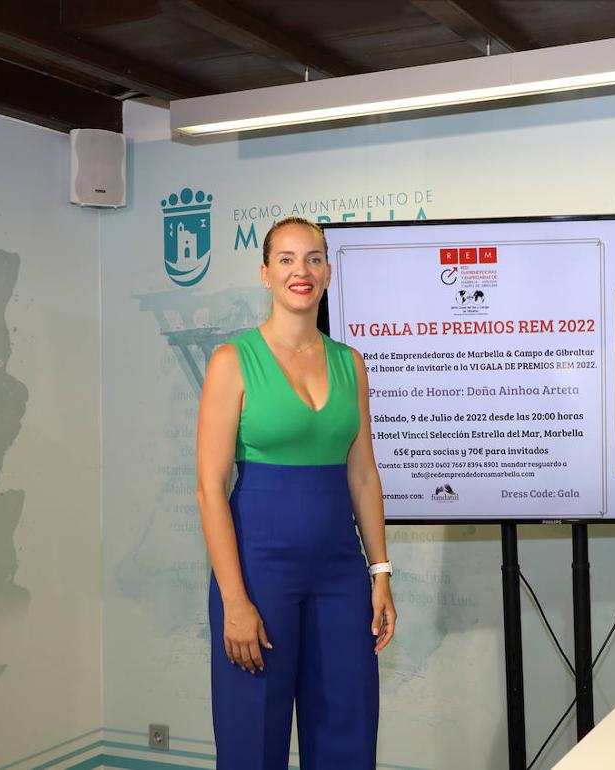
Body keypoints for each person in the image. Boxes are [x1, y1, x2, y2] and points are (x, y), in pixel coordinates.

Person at [196, 217, 396, 769]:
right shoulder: (232, 362)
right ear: (265, 273)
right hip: (259, 573)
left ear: (328, 271)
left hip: (339, 574)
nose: (300, 271)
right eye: (285, 259)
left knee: (348, 732)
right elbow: (210, 489)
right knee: (252, 739)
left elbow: (363, 476)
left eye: (312, 258)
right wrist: (235, 602)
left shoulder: (349, 363)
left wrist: (379, 574)